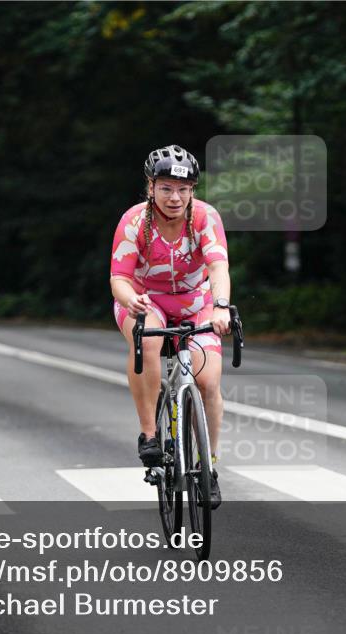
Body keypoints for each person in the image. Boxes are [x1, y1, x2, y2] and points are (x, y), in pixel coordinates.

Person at [109, 145, 232, 509]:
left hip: (197, 301)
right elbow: (119, 277)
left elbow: (218, 268)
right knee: (145, 339)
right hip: (145, 298)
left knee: (208, 381)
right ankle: (149, 432)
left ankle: (208, 465)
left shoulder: (206, 218)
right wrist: (129, 297)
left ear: (193, 189)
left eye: (183, 189)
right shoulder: (134, 221)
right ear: (150, 187)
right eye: (165, 188)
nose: (175, 197)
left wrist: (221, 306)